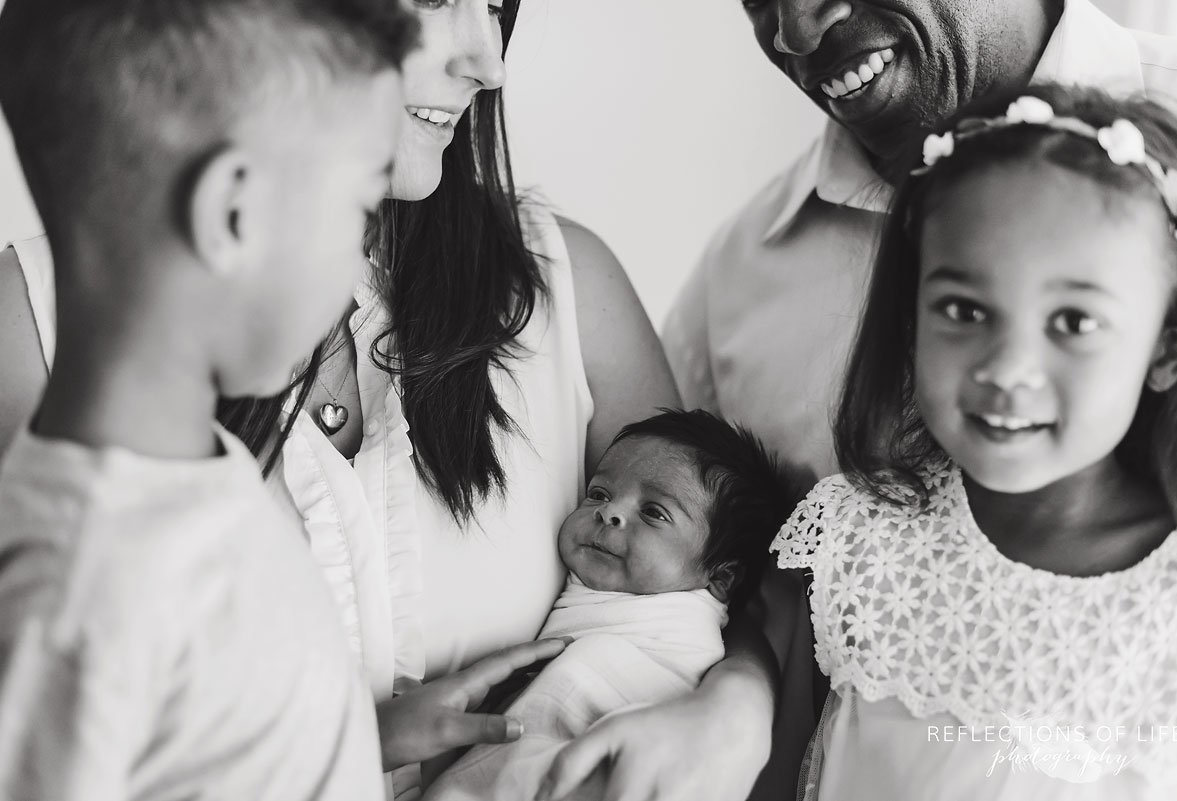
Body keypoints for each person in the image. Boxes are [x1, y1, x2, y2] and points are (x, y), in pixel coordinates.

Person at [0, 1, 780, 799]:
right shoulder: (105, 571)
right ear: (231, 210)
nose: (490, 61)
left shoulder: (214, 494)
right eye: (352, 215)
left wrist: (740, 705)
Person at [662, 3, 1177, 794]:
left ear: (1167, 341)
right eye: (963, 311)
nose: (796, 32)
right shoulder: (855, 542)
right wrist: (738, 682)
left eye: (1075, 321)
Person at [0, 0, 414, 797]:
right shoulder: (83, 598)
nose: (362, 263)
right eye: (360, 210)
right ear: (233, 212)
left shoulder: (192, 484)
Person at [424, 409, 797, 801]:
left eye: (653, 512)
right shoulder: (588, 582)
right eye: (599, 493)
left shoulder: (680, 639)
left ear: (720, 578)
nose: (609, 511)